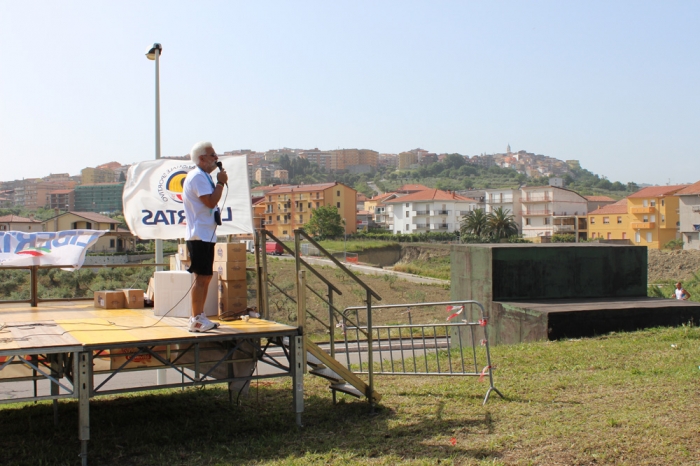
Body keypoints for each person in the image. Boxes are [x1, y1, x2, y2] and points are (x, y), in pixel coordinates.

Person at [182, 141, 228, 332]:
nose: (216, 159)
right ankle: (195, 319)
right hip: (198, 235)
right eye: (212, 155)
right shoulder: (197, 177)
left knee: (206, 277)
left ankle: (200, 316)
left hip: (206, 235)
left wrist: (217, 182)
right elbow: (209, 202)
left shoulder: (204, 177)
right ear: (201, 158)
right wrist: (220, 183)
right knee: (201, 277)